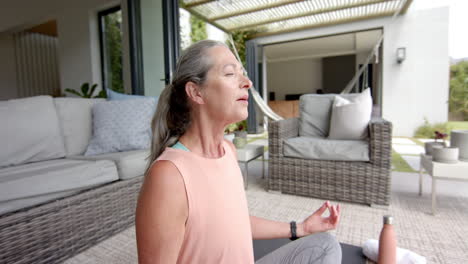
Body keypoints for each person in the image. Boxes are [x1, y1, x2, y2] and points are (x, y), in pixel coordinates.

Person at [135, 40, 342, 264]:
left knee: (324, 246)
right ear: (196, 92)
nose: (247, 82)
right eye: (230, 73)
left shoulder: (228, 151)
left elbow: (235, 222)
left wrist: (299, 228)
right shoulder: (169, 176)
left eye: (242, 74)